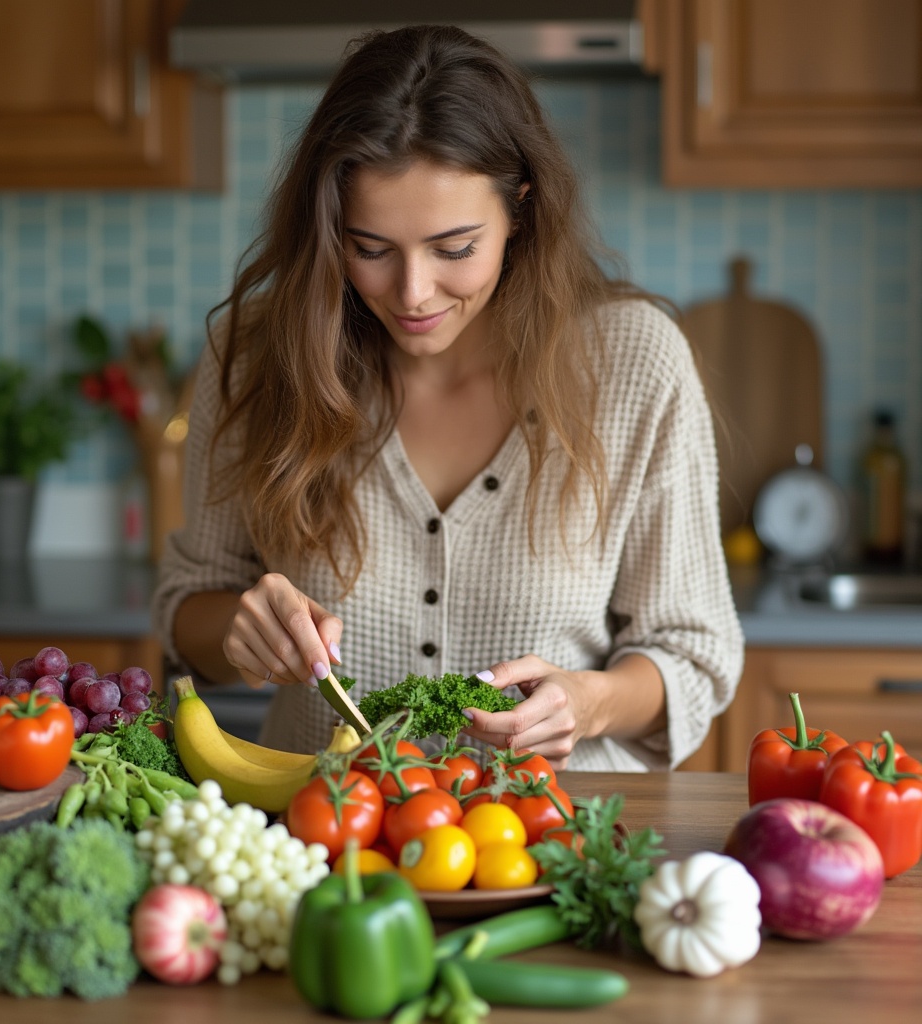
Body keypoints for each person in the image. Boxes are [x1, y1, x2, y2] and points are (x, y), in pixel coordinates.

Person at [153, 24, 744, 772]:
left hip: (556, 843)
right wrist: (237, 629)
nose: (412, 293)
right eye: (369, 249)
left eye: (454, 249)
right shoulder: (255, 357)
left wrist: (586, 702)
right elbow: (189, 602)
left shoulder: (635, 362)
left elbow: (692, 652)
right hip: (325, 841)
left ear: (520, 210)